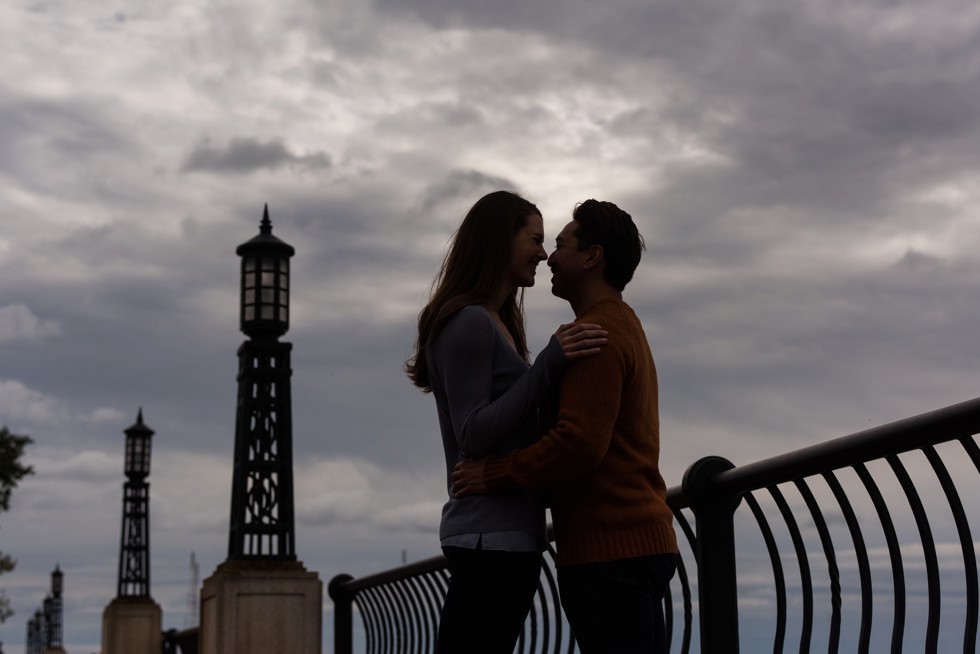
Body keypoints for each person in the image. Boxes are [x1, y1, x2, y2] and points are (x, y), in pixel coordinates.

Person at [452, 199, 679, 654]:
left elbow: (577, 445)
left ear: (592, 257)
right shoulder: (622, 322)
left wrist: (493, 473)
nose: (550, 257)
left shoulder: (593, 336)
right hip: (638, 542)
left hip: (609, 550)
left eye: (559, 245)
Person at [406, 190, 608, 654]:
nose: (542, 252)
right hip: (486, 538)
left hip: (506, 536)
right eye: (535, 239)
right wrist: (547, 367)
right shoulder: (471, 321)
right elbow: (472, 433)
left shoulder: (496, 321)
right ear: (501, 239)